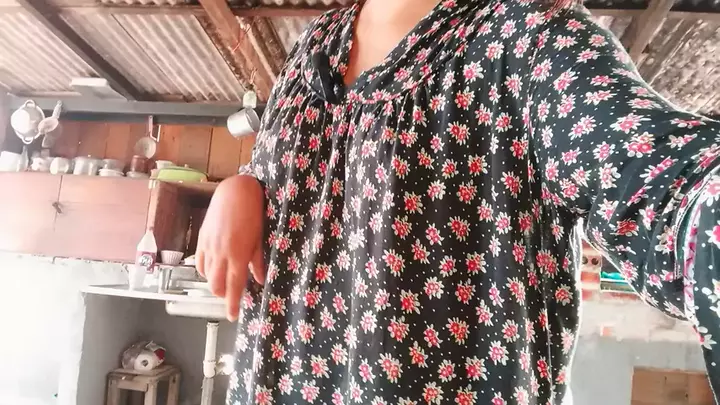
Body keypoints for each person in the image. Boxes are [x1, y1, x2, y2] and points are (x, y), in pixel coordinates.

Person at [195, 0, 720, 403]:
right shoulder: (312, 50)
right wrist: (241, 186)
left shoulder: (531, 40)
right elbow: (290, 175)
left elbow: (662, 181)